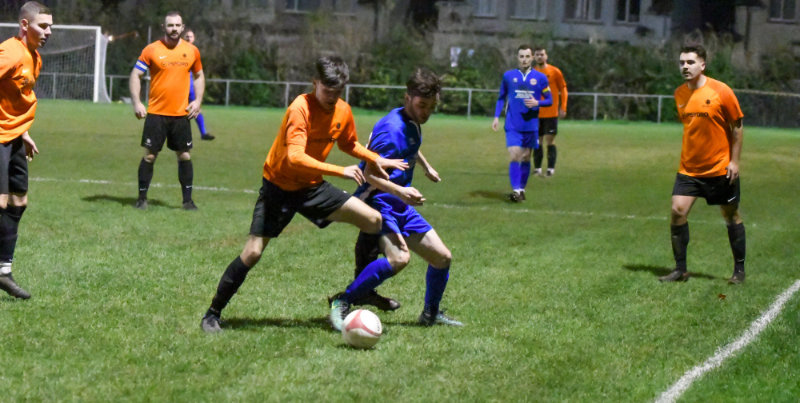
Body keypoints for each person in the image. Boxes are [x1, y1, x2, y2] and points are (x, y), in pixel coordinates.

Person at [200, 56, 408, 333]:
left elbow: (348, 143)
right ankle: (212, 313)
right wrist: (340, 171)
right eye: (328, 91)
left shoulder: (342, 110)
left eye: (338, 92)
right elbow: (295, 157)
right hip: (279, 188)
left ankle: (361, 291)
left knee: (373, 220)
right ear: (315, 83)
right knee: (252, 252)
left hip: (311, 187)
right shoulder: (300, 108)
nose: (333, 97)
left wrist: (375, 158)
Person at [328, 67, 463, 330]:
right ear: (407, 98)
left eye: (431, 107)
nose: (426, 112)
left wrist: (425, 166)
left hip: (398, 203)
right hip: (378, 202)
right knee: (400, 258)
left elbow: (411, 145)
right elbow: (368, 175)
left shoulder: (410, 120)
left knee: (442, 258)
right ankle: (342, 301)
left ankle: (431, 314)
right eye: (422, 105)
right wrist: (401, 191)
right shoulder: (391, 130)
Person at [659, 44, 746, 285]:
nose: (685, 67)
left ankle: (739, 271)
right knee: (677, 211)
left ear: (702, 65)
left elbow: (737, 127)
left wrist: (734, 161)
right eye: (682, 63)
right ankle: (680, 270)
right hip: (689, 169)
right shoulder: (679, 94)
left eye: (690, 62)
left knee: (730, 215)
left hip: (719, 168)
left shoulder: (721, 91)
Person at [0, 1, 51, 300]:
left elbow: (15, 100)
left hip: (14, 137)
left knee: (19, 201)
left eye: (50, 27)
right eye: (42, 26)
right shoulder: (10, 52)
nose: (48, 32)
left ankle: (3, 270)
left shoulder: (35, 57)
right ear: (24, 25)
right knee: (1, 202)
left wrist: (24, 132)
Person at [129, 11, 204, 211]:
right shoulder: (151, 50)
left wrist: (198, 101)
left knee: (184, 156)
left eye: (177, 25)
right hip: (156, 114)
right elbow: (136, 74)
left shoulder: (192, 51)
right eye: (170, 25)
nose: (174, 29)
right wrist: (137, 102)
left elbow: (199, 75)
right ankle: (141, 199)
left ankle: (187, 201)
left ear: (182, 27)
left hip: (181, 115)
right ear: (164, 27)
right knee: (150, 156)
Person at [492, 44, 552, 202]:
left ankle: (522, 188)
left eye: (527, 56)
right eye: (521, 56)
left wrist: (537, 102)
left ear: (532, 58)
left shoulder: (540, 78)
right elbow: (501, 98)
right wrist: (496, 117)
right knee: (514, 155)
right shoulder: (508, 76)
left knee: (525, 157)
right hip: (512, 125)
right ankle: (516, 191)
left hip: (531, 125)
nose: (524, 59)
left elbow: (550, 100)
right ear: (517, 58)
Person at [532, 46, 567, 177]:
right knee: (537, 141)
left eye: (542, 54)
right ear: (534, 57)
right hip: (535, 113)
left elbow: (563, 89)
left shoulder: (554, 71)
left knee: (550, 140)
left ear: (546, 56)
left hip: (551, 113)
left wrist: (563, 107)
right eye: (537, 55)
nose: (540, 57)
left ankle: (550, 169)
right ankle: (537, 169)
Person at [182, 28, 214, 141]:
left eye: (190, 36)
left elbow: (198, 72)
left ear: (194, 39)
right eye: (186, 36)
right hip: (179, 85)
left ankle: (203, 133)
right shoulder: (178, 49)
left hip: (190, 86)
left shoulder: (195, 52)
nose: (188, 38)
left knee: (196, 109)